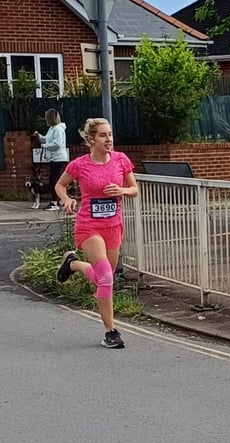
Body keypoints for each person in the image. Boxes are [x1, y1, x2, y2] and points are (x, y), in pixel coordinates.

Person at [54, 118, 138, 349]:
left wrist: (121, 190)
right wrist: (68, 199)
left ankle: (72, 264)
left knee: (105, 277)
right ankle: (111, 332)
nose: (108, 139)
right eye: (103, 135)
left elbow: (134, 189)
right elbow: (60, 185)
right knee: (106, 277)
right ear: (91, 140)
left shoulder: (121, 160)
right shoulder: (79, 165)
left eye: (110, 134)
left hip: (113, 225)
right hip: (89, 225)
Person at [34, 108, 68, 211]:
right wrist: (39, 136)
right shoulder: (52, 129)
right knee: (56, 180)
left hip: (59, 158)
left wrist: (44, 146)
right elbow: (47, 139)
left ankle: (54, 203)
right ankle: (60, 200)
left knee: (55, 181)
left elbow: (57, 144)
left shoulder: (58, 129)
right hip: (54, 158)